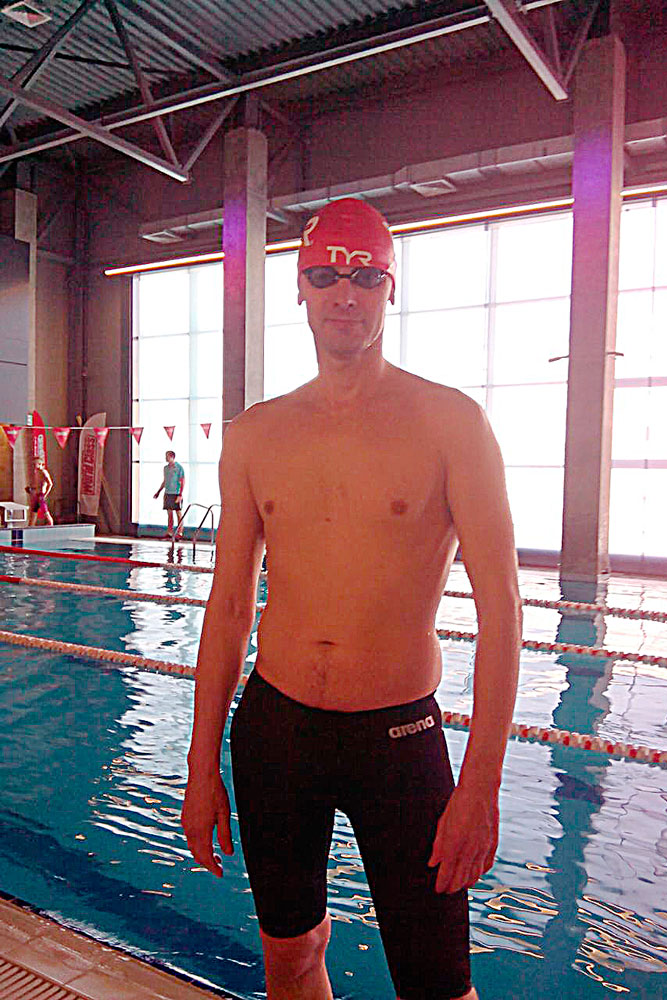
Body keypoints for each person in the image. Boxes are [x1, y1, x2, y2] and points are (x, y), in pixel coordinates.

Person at [181, 198, 521, 1000]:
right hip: (277, 730)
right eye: (326, 275)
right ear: (300, 287)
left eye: (365, 277)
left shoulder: (452, 423)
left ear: (390, 289)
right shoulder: (255, 434)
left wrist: (481, 784)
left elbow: (503, 608)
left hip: (398, 739)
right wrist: (200, 765)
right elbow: (228, 607)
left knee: (439, 987)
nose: (345, 293)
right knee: (291, 956)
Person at [154, 450, 185, 539]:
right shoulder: (166, 468)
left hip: (176, 493)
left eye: (167, 456)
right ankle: (169, 532)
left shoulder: (179, 468)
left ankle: (180, 532)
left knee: (178, 513)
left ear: (172, 457)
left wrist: (180, 494)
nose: (166, 458)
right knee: (169, 513)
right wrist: (158, 492)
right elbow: (165, 481)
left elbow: (182, 481)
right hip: (168, 492)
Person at [26, 455, 54, 526]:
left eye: (35, 464)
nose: (34, 466)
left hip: (41, 496)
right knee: (33, 513)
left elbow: (50, 484)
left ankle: (51, 526)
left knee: (46, 513)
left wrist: (45, 495)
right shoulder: (36, 473)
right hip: (36, 495)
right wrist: (30, 490)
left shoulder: (44, 472)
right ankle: (30, 527)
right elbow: (36, 486)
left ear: (40, 464)